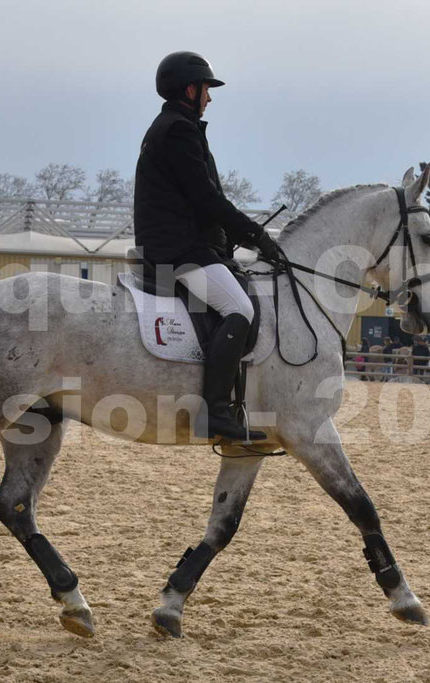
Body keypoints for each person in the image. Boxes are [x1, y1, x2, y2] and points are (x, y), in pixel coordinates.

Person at [134, 51, 279, 442]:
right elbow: (207, 199)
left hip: (182, 243)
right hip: (177, 250)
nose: (210, 99)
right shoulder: (178, 130)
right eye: (207, 91)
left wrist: (229, 239)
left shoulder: (173, 127)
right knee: (240, 308)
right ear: (190, 89)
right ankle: (215, 412)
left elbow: (197, 201)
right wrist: (257, 235)